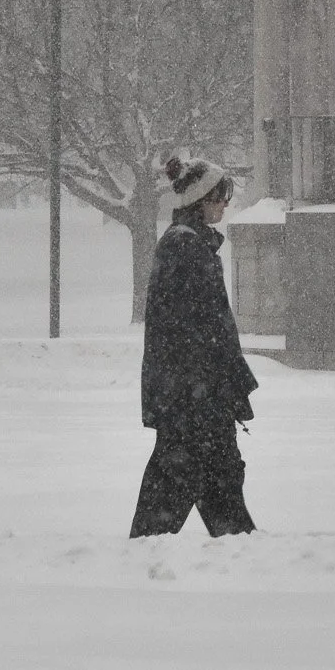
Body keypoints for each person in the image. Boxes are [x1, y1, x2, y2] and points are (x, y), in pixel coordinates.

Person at [131, 155, 259, 538]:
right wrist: (217, 387)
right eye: (220, 195)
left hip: (190, 394)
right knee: (186, 471)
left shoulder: (190, 244)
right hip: (192, 396)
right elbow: (199, 331)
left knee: (209, 474)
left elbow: (205, 329)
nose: (225, 203)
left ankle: (239, 546)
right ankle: (144, 556)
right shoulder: (184, 247)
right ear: (201, 200)